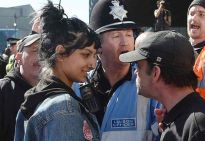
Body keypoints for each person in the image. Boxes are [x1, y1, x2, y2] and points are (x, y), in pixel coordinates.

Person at [119, 30, 205, 141]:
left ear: (155, 73)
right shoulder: (182, 122)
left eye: (139, 66)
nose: (135, 72)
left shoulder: (202, 131)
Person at [15, 1, 101, 141]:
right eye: (86, 54)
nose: (92, 64)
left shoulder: (36, 96)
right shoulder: (63, 108)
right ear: (60, 53)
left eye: (95, 56)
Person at [89, 0, 160, 140]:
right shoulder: (78, 86)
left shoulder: (150, 85)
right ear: (97, 46)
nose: (125, 42)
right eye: (116, 36)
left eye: (128, 34)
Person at [0, 34, 41, 141]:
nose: (41, 56)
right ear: (19, 57)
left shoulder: (53, 92)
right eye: (35, 50)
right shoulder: (4, 89)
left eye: (45, 51)